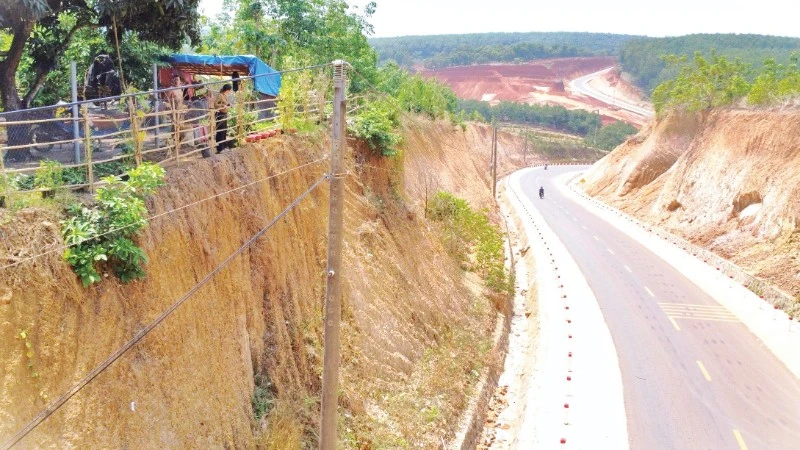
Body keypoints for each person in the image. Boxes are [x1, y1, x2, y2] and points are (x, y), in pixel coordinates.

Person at [214, 84, 233, 153]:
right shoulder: (220, 95)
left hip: (224, 114)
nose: (231, 91)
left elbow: (225, 104)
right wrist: (222, 105)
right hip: (220, 114)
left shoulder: (225, 96)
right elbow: (215, 104)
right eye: (230, 90)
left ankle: (224, 146)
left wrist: (228, 105)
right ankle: (220, 148)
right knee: (220, 131)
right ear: (227, 90)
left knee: (224, 130)